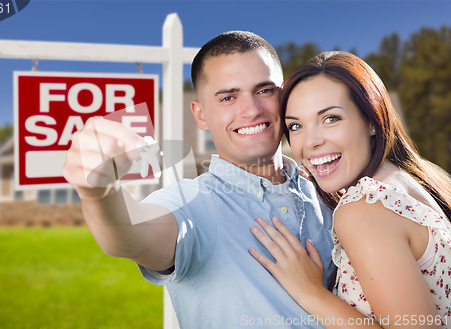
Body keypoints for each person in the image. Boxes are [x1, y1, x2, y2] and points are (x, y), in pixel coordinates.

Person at [63, 31, 335, 328]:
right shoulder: (194, 203)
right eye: (228, 97)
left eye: (265, 90)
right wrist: (99, 192)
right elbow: (132, 235)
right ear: (201, 115)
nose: (252, 110)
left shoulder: (327, 190)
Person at [249, 51, 451, 328]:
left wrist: (312, 293)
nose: (310, 143)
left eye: (331, 118)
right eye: (296, 126)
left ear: (371, 119)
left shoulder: (364, 209)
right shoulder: (412, 180)